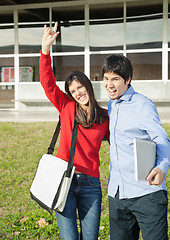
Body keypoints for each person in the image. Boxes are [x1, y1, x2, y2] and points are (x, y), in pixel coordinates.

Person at [39, 22, 109, 240]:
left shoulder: (106, 116)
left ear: (88, 85)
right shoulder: (67, 108)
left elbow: (120, 141)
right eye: (73, 90)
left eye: (80, 87)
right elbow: (48, 83)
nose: (78, 93)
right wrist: (45, 51)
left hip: (91, 184)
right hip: (64, 181)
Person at [102, 54, 170, 240]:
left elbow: (161, 137)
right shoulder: (111, 105)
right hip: (117, 194)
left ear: (128, 79)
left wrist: (162, 168)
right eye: (106, 79)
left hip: (146, 194)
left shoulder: (142, 104)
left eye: (115, 79)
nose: (109, 84)